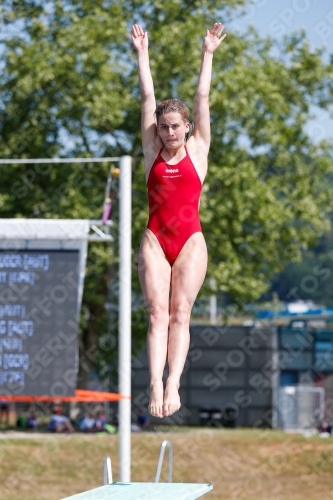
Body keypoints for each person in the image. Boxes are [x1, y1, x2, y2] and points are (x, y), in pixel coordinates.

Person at [131, 23, 227, 418]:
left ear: (186, 127)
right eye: (164, 126)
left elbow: (202, 96)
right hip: (156, 238)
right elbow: (147, 94)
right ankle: (154, 382)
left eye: (176, 126)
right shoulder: (152, 148)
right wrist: (142, 53)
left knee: (179, 313)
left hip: (190, 240)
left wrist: (208, 53)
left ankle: (174, 383)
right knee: (156, 312)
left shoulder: (198, 149)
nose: (170, 132)